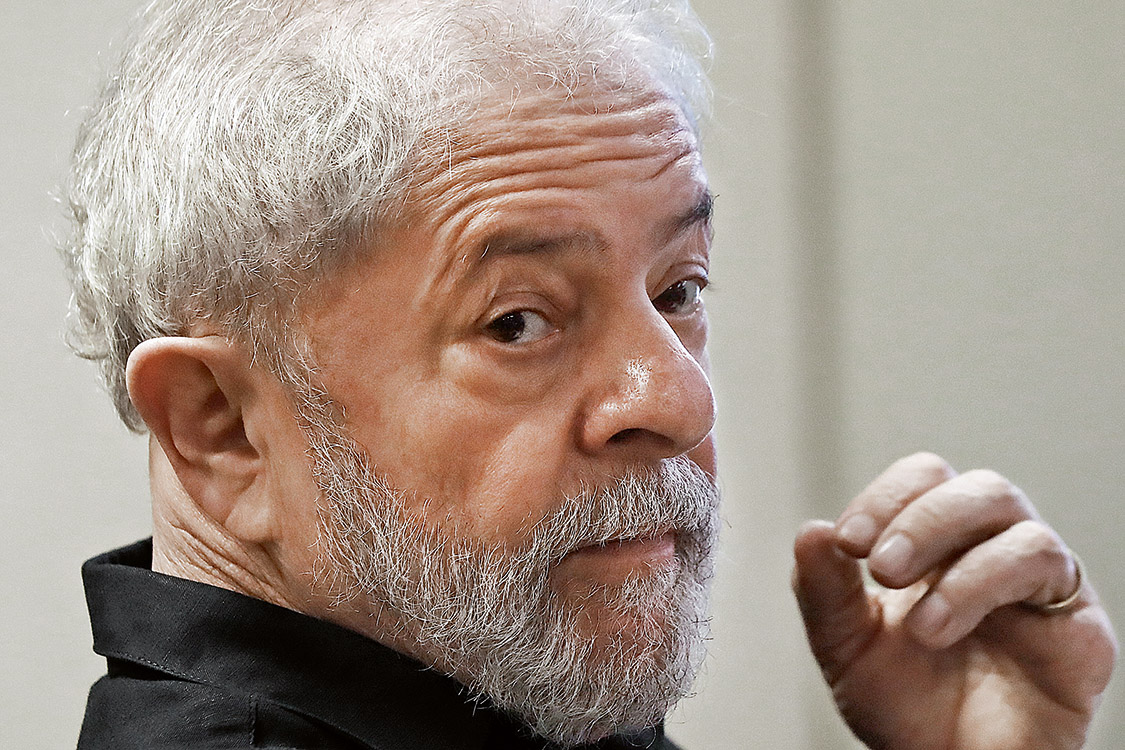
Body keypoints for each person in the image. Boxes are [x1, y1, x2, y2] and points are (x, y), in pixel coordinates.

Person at [63, 0, 1115, 748]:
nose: (679, 402)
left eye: (679, 289)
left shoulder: (484, 689)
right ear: (223, 428)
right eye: (518, 323)